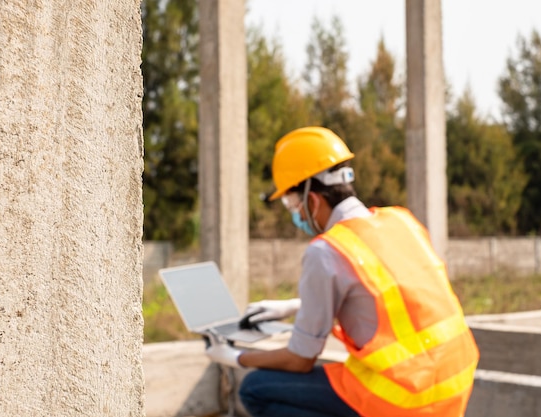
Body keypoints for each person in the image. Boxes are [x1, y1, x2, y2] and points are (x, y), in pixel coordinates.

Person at [205, 126, 479, 417]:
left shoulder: (326, 251)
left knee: (255, 388)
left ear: (312, 200)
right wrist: (291, 306)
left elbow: (300, 359)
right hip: (455, 382)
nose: (296, 214)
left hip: (404, 399)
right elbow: (389, 293)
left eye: (291, 203)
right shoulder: (402, 221)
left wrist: (235, 357)